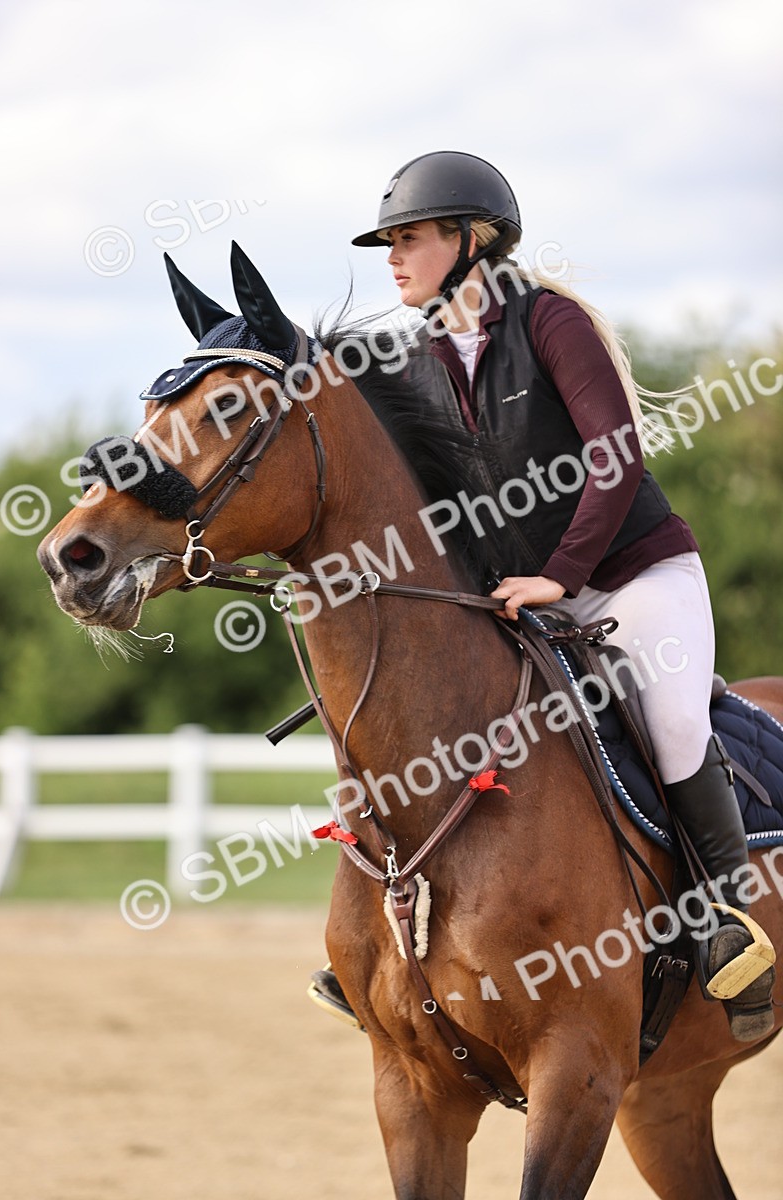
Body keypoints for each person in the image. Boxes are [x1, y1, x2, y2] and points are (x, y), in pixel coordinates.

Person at [309, 151, 775, 1041]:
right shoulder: (421, 358)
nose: (394, 258)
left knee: (675, 723)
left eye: (410, 238)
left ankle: (725, 925)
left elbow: (614, 457)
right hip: (526, 594)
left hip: (637, 578)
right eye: (390, 243)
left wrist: (562, 575)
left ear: (471, 240)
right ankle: (383, 944)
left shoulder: (550, 323)